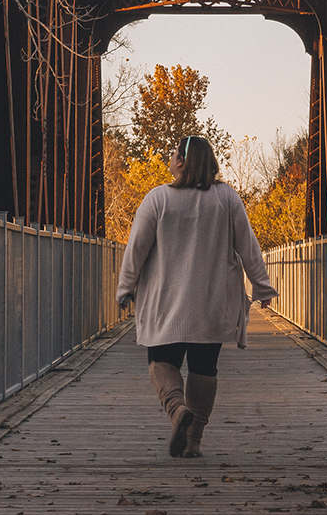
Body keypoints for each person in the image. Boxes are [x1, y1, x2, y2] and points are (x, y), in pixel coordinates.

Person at [116, 134, 278, 458]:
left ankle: (177, 410)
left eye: (173, 154)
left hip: (166, 303)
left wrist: (126, 286)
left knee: (160, 361)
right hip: (212, 301)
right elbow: (248, 246)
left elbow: (137, 248)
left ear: (180, 161)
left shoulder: (158, 199)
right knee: (205, 368)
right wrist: (261, 285)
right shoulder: (227, 198)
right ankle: (194, 441)